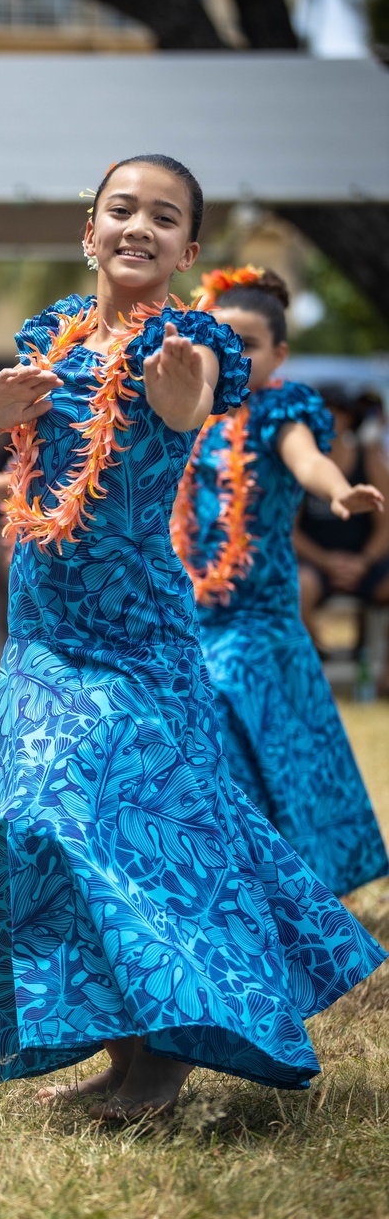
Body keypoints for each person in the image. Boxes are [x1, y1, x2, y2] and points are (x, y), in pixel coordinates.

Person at [0, 154, 385, 1121]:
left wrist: (177, 391)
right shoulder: (47, 339)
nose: (139, 226)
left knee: (130, 823)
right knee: (24, 819)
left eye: (164, 216)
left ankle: (165, 1064)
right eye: (121, 210)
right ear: (88, 232)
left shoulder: (197, 339)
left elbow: (187, 408)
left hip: (138, 630)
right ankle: (125, 1042)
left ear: (189, 248)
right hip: (43, 629)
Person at [171, 268, 387, 897]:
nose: (233, 355)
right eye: (222, 340)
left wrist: (339, 490)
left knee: (271, 742)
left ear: (280, 356)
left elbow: (307, 458)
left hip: (259, 616)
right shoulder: (191, 415)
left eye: (250, 344)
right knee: (212, 740)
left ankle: (290, 879)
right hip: (193, 612)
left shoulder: (279, 410)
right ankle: (237, 878)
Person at [294, 385, 389, 691]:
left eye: (338, 412)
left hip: (364, 561)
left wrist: (364, 561)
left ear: (351, 418)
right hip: (316, 563)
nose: (331, 419)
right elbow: (289, 529)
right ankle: (315, 666)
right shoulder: (298, 459)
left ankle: (383, 674)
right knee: (298, 586)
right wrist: (328, 561)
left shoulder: (369, 457)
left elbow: (385, 522)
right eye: (324, 412)